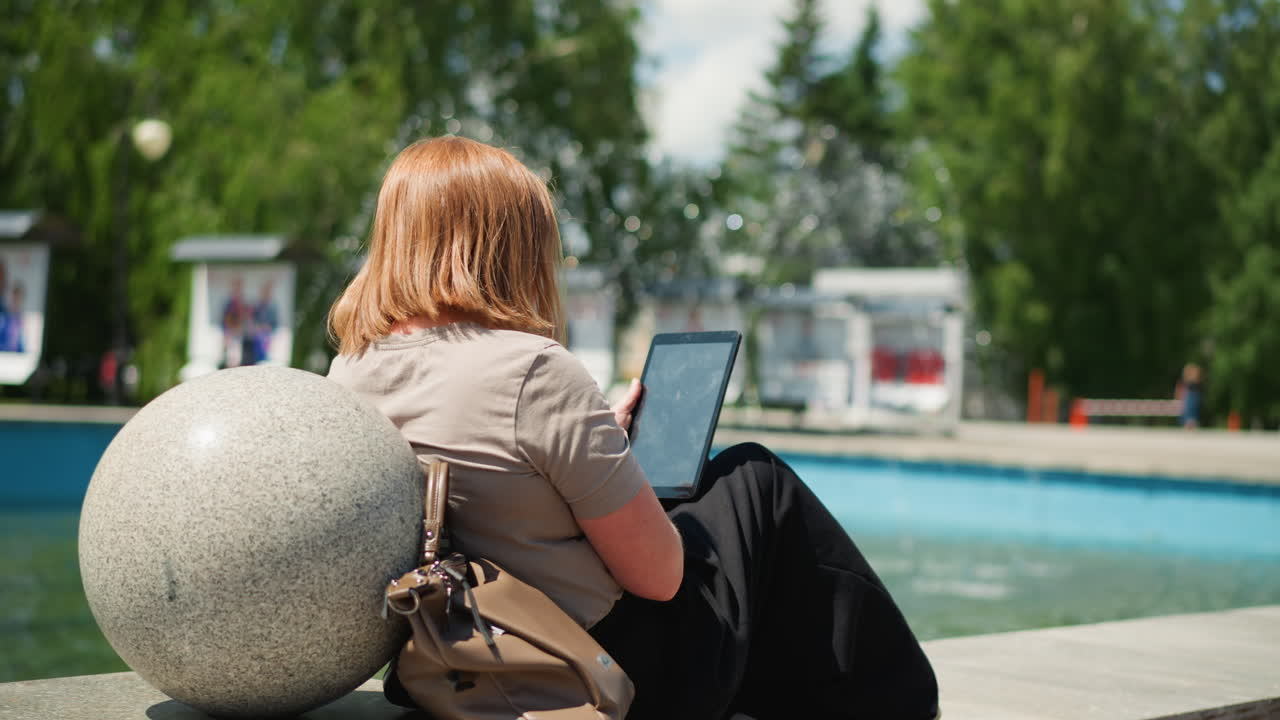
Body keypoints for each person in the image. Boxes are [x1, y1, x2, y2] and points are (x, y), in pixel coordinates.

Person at [326, 137, 938, 720]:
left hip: (456, 655)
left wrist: (599, 441)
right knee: (753, 478)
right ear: (509, 248)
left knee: (710, 500)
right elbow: (660, 578)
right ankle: (899, 701)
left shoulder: (351, 369)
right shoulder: (532, 370)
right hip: (595, 670)